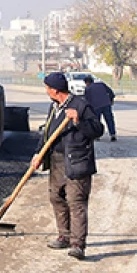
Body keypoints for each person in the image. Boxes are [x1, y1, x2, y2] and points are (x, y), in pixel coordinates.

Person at [40, 72, 103, 260]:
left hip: (76, 160)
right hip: (57, 160)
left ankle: (77, 244)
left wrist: (78, 121)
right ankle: (64, 236)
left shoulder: (81, 105)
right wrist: (39, 153)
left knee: (76, 202)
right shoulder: (54, 107)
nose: (45, 91)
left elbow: (97, 130)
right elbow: (47, 132)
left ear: (55, 90)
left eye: (47, 88)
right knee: (56, 197)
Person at [82, 76, 117, 141]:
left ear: (86, 82)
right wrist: (111, 100)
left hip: (96, 106)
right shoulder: (101, 84)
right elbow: (110, 92)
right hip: (106, 104)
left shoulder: (88, 88)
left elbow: (87, 100)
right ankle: (113, 134)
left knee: (97, 122)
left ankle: (97, 136)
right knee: (109, 120)